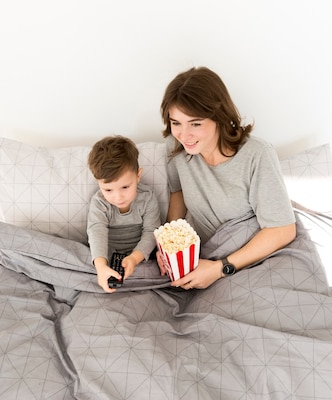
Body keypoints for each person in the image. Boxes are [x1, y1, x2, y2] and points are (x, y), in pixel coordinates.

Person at [158, 66, 297, 290]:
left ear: (218, 117)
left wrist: (219, 269)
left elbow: (283, 229)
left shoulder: (257, 154)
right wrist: (169, 245)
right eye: (176, 123)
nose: (184, 134)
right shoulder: (176, 149)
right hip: (207, 260)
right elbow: (179, 192)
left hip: (255, 259)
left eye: (195, 123)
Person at [87, 135, 162, 292]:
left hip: (141, 257)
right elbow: (96, 231)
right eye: (108, 190)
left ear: (138, 176)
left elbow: (151, 232)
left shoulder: (147, 197)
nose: (118, 197)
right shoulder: (99, 202)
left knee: (162, 272)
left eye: (125, 187)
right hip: (106, 256)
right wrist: (100, 266)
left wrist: (134, 258)